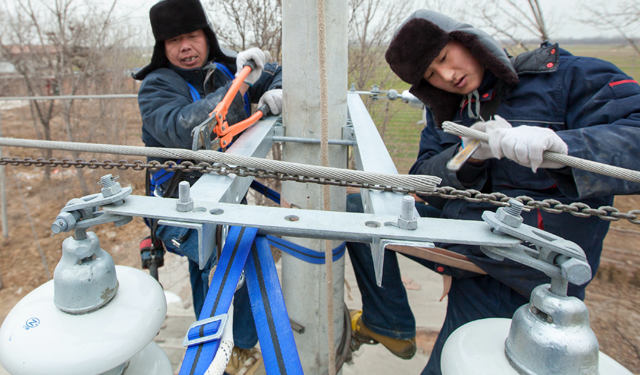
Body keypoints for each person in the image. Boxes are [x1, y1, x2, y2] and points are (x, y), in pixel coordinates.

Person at [347, 9, 640, 375]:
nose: (447, 76)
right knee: (358, 209)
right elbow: (424, 178)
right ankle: (389, 323)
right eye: (431, 76)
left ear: (466, 39)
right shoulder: (452, 112)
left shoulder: (563, 77)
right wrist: (467, 159)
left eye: (442, 58)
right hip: (471, 260)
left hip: (531, 280)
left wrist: (563, 149)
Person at [132, 0, 282, 373]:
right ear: (162, 48)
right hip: (180, 205)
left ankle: (242, 345)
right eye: (174, 40)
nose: (185, 47)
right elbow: (184, 129)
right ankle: (215, 346)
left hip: (228, 189)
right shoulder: (156, 87)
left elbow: (282, 74)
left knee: (243, 257)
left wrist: (273, 93)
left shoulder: (225, 68)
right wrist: (242, 83)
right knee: (209, 268)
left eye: (192, 36)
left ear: (206, 37)